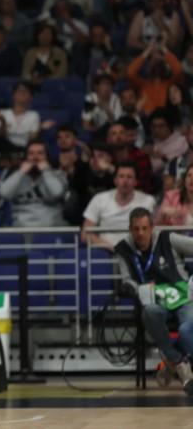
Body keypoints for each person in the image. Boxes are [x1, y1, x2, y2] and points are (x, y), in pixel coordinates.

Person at [115, 208, 193, 394]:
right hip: (155, 302)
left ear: (152, 227)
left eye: (144, 228)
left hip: (182, 298)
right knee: (149, 312)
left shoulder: (168, 238)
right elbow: (127, 280)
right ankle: (178, 362)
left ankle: (169, 360)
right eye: (136, 229)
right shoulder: (123, 249)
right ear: (130, 229)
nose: (140, 233)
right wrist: (136, 289)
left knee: (186, 329)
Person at [83, 163, 157, 250]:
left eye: (129, 177)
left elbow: (153, 232)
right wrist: (113, 248)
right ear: (115, 180)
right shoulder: (99, 199)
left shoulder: (148, 201)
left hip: (138, 252)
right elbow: (85, 234)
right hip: (105, 252)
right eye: (121, 176)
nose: (125, 180)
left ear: (136, 182)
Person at [0, 139, 67, 227]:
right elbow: (3, 193)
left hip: (52, 229)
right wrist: (21, 172)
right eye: (31, 153)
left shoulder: (58, 174)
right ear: (25, 157)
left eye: (40, 153)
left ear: (47, 157)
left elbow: (57, 193)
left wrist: (46, 171)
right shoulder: (17, 177)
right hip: (21, 229)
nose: (35, 157)